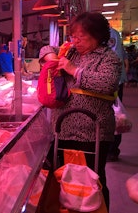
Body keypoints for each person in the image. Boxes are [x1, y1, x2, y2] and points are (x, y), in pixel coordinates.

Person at [39, 12, 121, 210]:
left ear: (97, 35)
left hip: (93, 131)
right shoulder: (70, 50)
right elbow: (46, 48)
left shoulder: (109, 58)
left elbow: (107, 83)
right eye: (73, 36)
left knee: (93, 179)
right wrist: (51, 57)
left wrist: (74, 70)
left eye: (80, 37)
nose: (75, 41)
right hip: (63, 128)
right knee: (62, 176)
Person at [107, 27, 129, 162]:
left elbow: (114, 58)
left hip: (112, 81)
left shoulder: (109, 34)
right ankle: (112, 150)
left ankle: (112, 150)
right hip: (116, 79)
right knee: (115, 113)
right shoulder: (114, 33)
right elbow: (123, 57)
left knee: (113, 115)